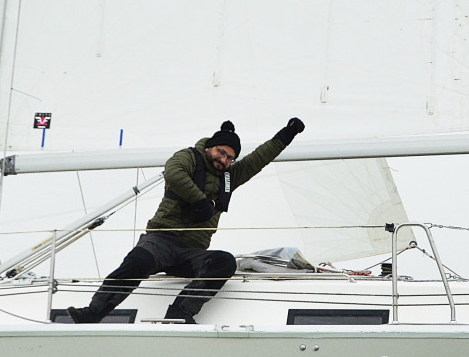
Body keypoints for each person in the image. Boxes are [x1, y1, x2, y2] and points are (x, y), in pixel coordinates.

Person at [60, 117, 305, 324]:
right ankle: (93, 313)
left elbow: (259, 158)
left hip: (192, 252)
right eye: (221, 152)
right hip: (161, 241)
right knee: (136, 262)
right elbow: (174, 172)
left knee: (224, 262)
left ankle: (179, 314)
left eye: (230, 158)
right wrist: (201, 202)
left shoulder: (229, 177)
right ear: (210, 147)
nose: (224, 160)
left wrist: (287, 134)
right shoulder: (189, 157)